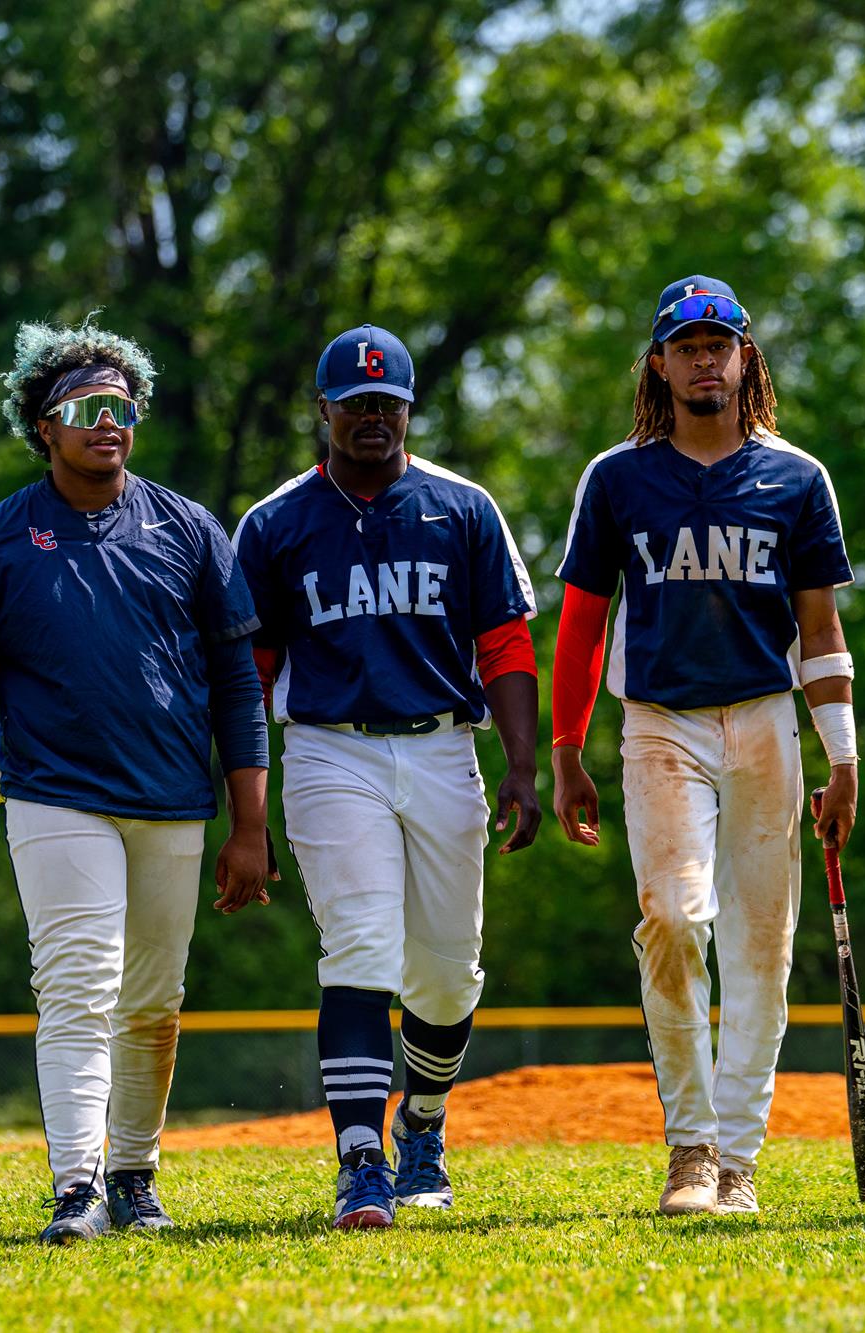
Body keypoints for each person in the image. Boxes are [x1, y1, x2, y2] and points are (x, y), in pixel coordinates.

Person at [0, 320, 272, 1245]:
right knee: (77, 985)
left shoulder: (191, 529)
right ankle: (78, 1187)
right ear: (44, 425)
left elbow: (238, 686)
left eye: (124, 407)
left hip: (173, 799)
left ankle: (136, 1176)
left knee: (153, 1002)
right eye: (89, 406)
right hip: (53, 792)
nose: (110, 422)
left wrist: (249, 824)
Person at [550, 276, 858, 1217]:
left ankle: (738, 1160)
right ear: (659, 364)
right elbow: (582, 620)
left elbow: (821, 629)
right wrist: (566, 747)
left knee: (762, 945)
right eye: (685, 347)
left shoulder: (797, 478)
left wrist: (843, 756)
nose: (703, 361)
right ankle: (691, 1146)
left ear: (743, 357)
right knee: (676, 920)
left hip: (766, 718)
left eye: (718, 345)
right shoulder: (617, 478)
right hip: (660, 722)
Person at [233, 324, 542, 1231]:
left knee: (447, 977)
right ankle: (362, 1162)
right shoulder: (276, 522)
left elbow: (505, 644)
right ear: (323, 409)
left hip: (444, 747)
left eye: (388, 402)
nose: (373, 415)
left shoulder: (462, 506)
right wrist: (246, 812)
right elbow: (249, 673)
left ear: (409, 408)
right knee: (361, 948)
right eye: (355, 402)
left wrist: (523, 765)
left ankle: (424, 1124)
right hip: (330, 749)